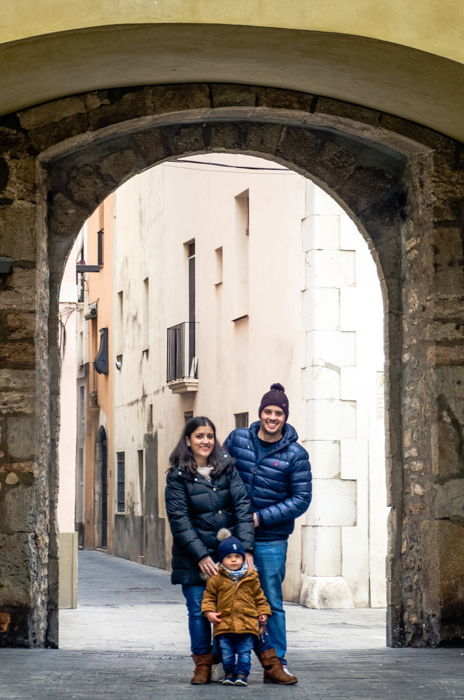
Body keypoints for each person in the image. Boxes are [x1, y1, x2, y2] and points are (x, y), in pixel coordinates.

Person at [224, 383, 312, 683]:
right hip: (233, 539)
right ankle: (225, 662)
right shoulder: (237, 440)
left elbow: (301, 499)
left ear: (285, 417)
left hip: (271, 539)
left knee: (271, 602)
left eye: (278, 413)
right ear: (260, 413)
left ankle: (277, 663)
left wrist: (260, 518)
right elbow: (219, 474)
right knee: (227, 599)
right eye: (268, 411)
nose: (272, 417)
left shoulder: (296, 454)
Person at [165, 416, 254, 685]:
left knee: (235, 610)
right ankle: (202, 664)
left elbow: (243, 508)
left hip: (230, 556)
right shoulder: (178, 476)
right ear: (188, 441)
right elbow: (179, 519)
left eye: (210, 436)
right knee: (197, 611)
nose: (205, 441)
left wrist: (245, 548)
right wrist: (201, 555)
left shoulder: (227, 469)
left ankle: (228, 660)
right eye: (199, 436)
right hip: (193, 559)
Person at [201, 528, 272, 687]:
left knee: (244, 653)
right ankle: (229, 673)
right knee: (227, 654)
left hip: (247, 625)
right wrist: (209, 612)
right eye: (229, 557)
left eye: (237, 556)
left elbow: (259, 597)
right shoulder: (216, 578)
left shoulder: (251, 577)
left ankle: (242, 675)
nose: (233, 560)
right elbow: (209, 597)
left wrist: (263, 613)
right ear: (222, 559)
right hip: (224, 625)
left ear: (243, 558)